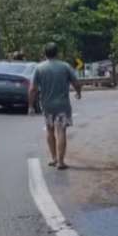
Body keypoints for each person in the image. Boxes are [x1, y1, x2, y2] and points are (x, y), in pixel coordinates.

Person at [29, 42, 82, 170]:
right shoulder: (65, 66)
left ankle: (53, 158)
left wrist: (30, 106)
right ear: (57, 53)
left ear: (44, 53)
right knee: (61, 131)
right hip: (62, 105)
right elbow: (76, 82)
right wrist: (78, 93)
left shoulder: (39, 68)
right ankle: (61, 161)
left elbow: (32, 89)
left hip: (47, 106)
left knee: (50, 130)